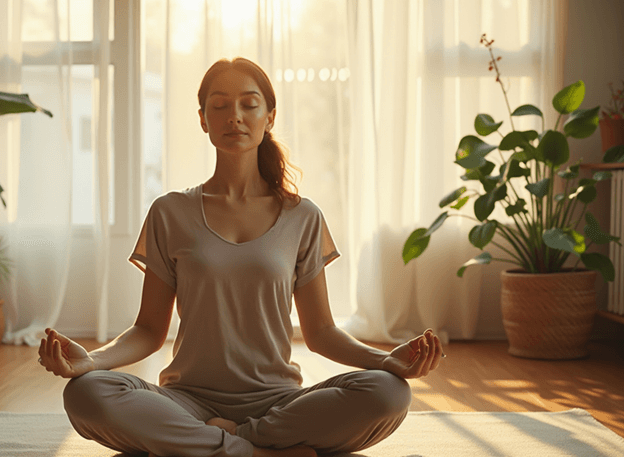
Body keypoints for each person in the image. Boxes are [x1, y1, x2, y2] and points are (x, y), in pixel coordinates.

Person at [38, 57, 443, 457]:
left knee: (388, 392)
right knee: (87, 393)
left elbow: (320, 332)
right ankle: (259, 452)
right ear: (203, 119)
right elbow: (147, 330)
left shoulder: (303, 216)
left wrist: (386, 360)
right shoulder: (169, 211)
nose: (235, 116)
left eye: (249, 104)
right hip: (187, 402)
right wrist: (90, 361)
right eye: (220, 106)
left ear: (269, 117)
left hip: (278, 404)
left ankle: (221, 441)